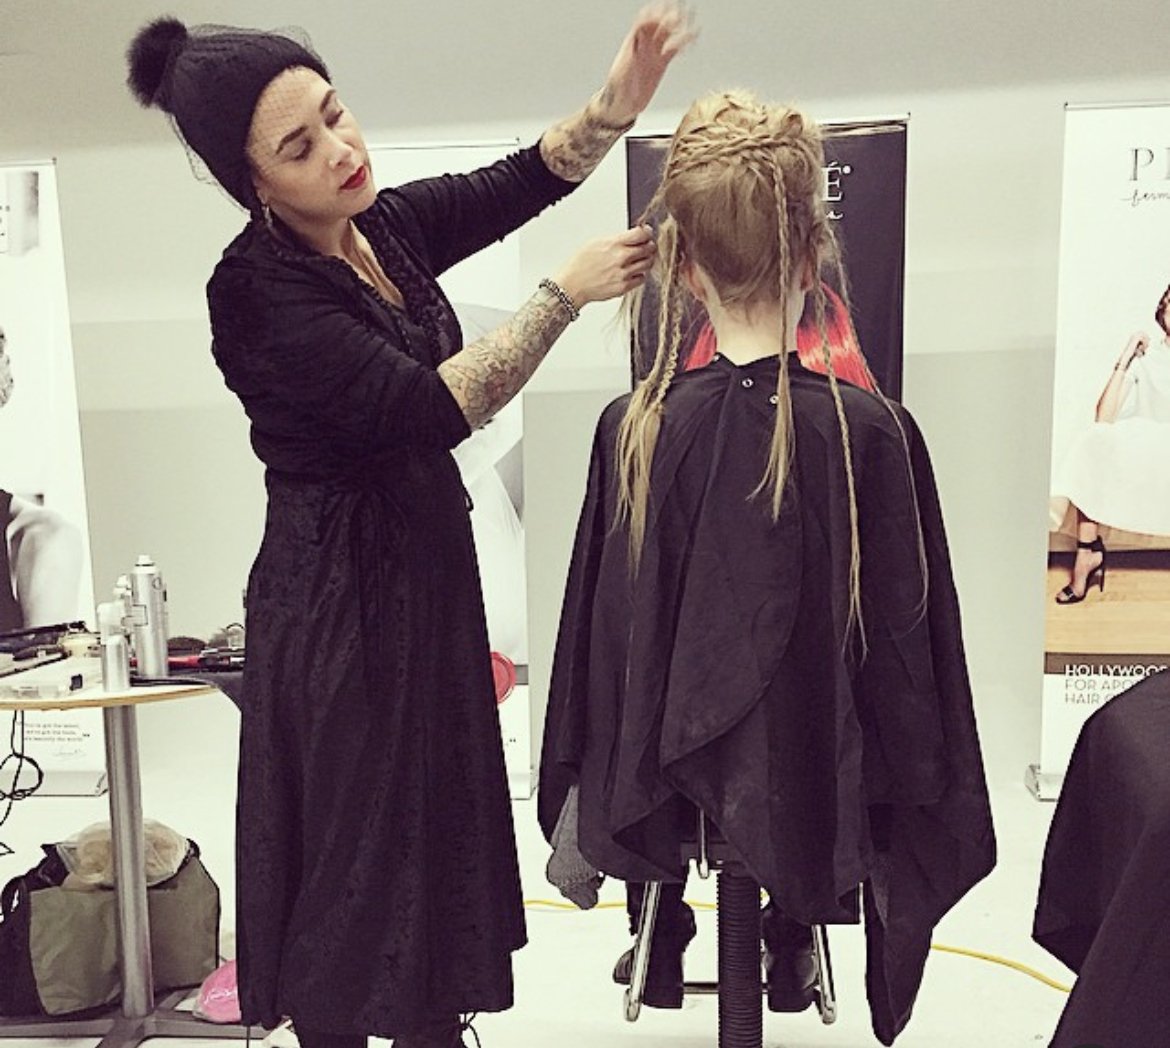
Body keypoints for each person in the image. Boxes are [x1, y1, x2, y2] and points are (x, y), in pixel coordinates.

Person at [125, 7, 694, 1048]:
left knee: (431, 847)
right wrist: (561, 296)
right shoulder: (254, 294)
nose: (341, 150)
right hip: (336, 606)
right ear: (254, 183)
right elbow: (427, 409)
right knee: (354, 862)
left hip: (424, 581)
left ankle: (432, 1026)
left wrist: (615, 104)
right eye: (300, 146)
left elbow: (519, 180)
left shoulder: (379, 227)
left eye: (336, 114)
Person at [538, 90, 995, 1046]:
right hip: (817, 770)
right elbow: (912, 676)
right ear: (813, 252)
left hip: (665, 784)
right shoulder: (874, 431)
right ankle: (793, 928)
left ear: (681, 266)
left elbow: (606, 664)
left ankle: (665, 923)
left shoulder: (634, 430)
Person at [1049, 285, 1170, 604]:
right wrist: (1126, 356)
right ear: (1162, 309)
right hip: (1148, 447)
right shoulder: (1147, 359)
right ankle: (1087, 554)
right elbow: (1103, 416)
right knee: (1094, 440)